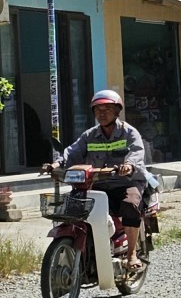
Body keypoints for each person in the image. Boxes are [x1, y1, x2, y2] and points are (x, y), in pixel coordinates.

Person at [44, 90, 147, 270]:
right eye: (98, 110)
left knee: (130, 204)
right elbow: (72, 152)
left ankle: (131, 254)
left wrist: (128, 166)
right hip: (97, 184)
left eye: (107, 109)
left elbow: (137, 153)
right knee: (72, 207)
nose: (101, 113)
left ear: (117, 111)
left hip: (125, 183)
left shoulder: (129, 133)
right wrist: (56, 164)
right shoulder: (89, 135)